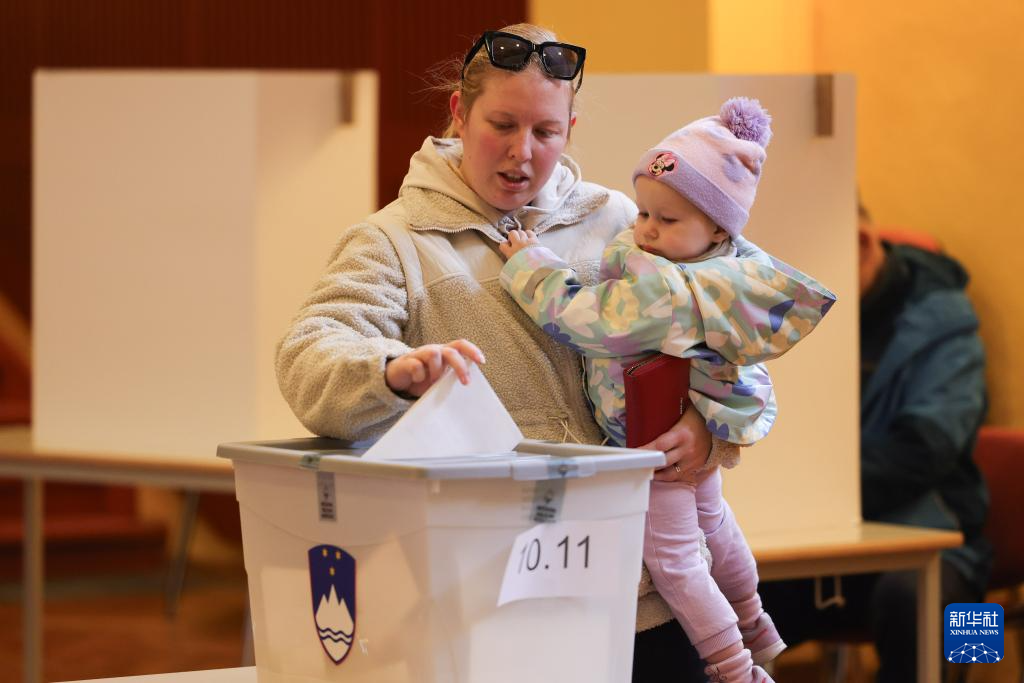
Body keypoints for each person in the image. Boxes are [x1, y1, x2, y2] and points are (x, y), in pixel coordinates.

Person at [276, 23, 730, 681]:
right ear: (459, 115)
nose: (522, 152)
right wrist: (390, 373)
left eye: (546, 131)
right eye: (502, 124)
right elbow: (309, 355)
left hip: (648, 597)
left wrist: (709, 428)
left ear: (571, 129)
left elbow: (722, 331)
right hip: (495, 606)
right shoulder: (393, 241)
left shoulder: (623, 223)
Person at [498, 99, 836, 682]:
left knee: (675, 563)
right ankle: (756, 625)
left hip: (655, 447)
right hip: (691, 435)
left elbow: (584, 320)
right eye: (644, 213)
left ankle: (735, 668)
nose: (647, 229)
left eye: (668, 220)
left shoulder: (668, 291)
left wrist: (531, 265)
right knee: (717, 528)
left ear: (717, 226)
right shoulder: (733, 270)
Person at [756, 206, 991, 682]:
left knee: (938, 617)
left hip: (945, 545)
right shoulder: (809, 322)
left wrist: (815, 488)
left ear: (863, 245)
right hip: (824, 548)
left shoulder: (949, 324)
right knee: (703, 608)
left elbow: (926, 449)